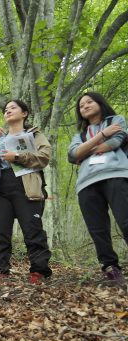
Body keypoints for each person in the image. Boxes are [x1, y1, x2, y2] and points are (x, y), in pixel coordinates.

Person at [0, 99, 52, 284]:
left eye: (13, 108)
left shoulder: (34, 134)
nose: (8, 111)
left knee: (33, 231)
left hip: (27, 187)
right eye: (5, 109)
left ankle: (39, 272)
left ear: (24, 113)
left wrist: (18, 156)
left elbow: (44, 157)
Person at [67, 92, 128, 285]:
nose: (84, 106)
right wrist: (102, 135)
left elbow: (116, 141)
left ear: (100, 103)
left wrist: (85, 151)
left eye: (89, 102)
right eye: (81, 105)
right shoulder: (80, 134)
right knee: (98, 229)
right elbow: (72, 155)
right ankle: (111, 269)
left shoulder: (116, 120)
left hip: (116, 174)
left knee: (126, 221)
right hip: (86, 183)